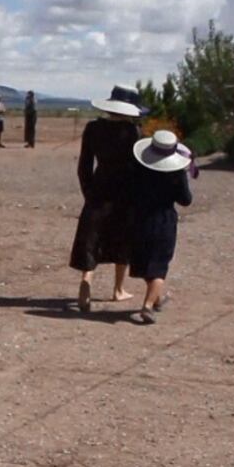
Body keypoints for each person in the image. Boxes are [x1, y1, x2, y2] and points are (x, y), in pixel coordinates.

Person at [68, 85, 145, 312]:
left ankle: (87, 278)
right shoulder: (134, 132)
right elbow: (140, 168)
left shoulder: (93, 129)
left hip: (99, 187)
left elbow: (84, 165)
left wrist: (88, 191)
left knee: (93, 236)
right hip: (126, 190)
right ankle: (118, 289)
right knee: (122, 238)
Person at [130, 130, 194, 324]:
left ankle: (156, 299)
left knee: (145, 262)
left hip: (141, 219)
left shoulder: (140, 169)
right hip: (164, 221)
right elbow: (186, 200)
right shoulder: (176, 173)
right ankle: (148, 306)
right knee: (159, 267)